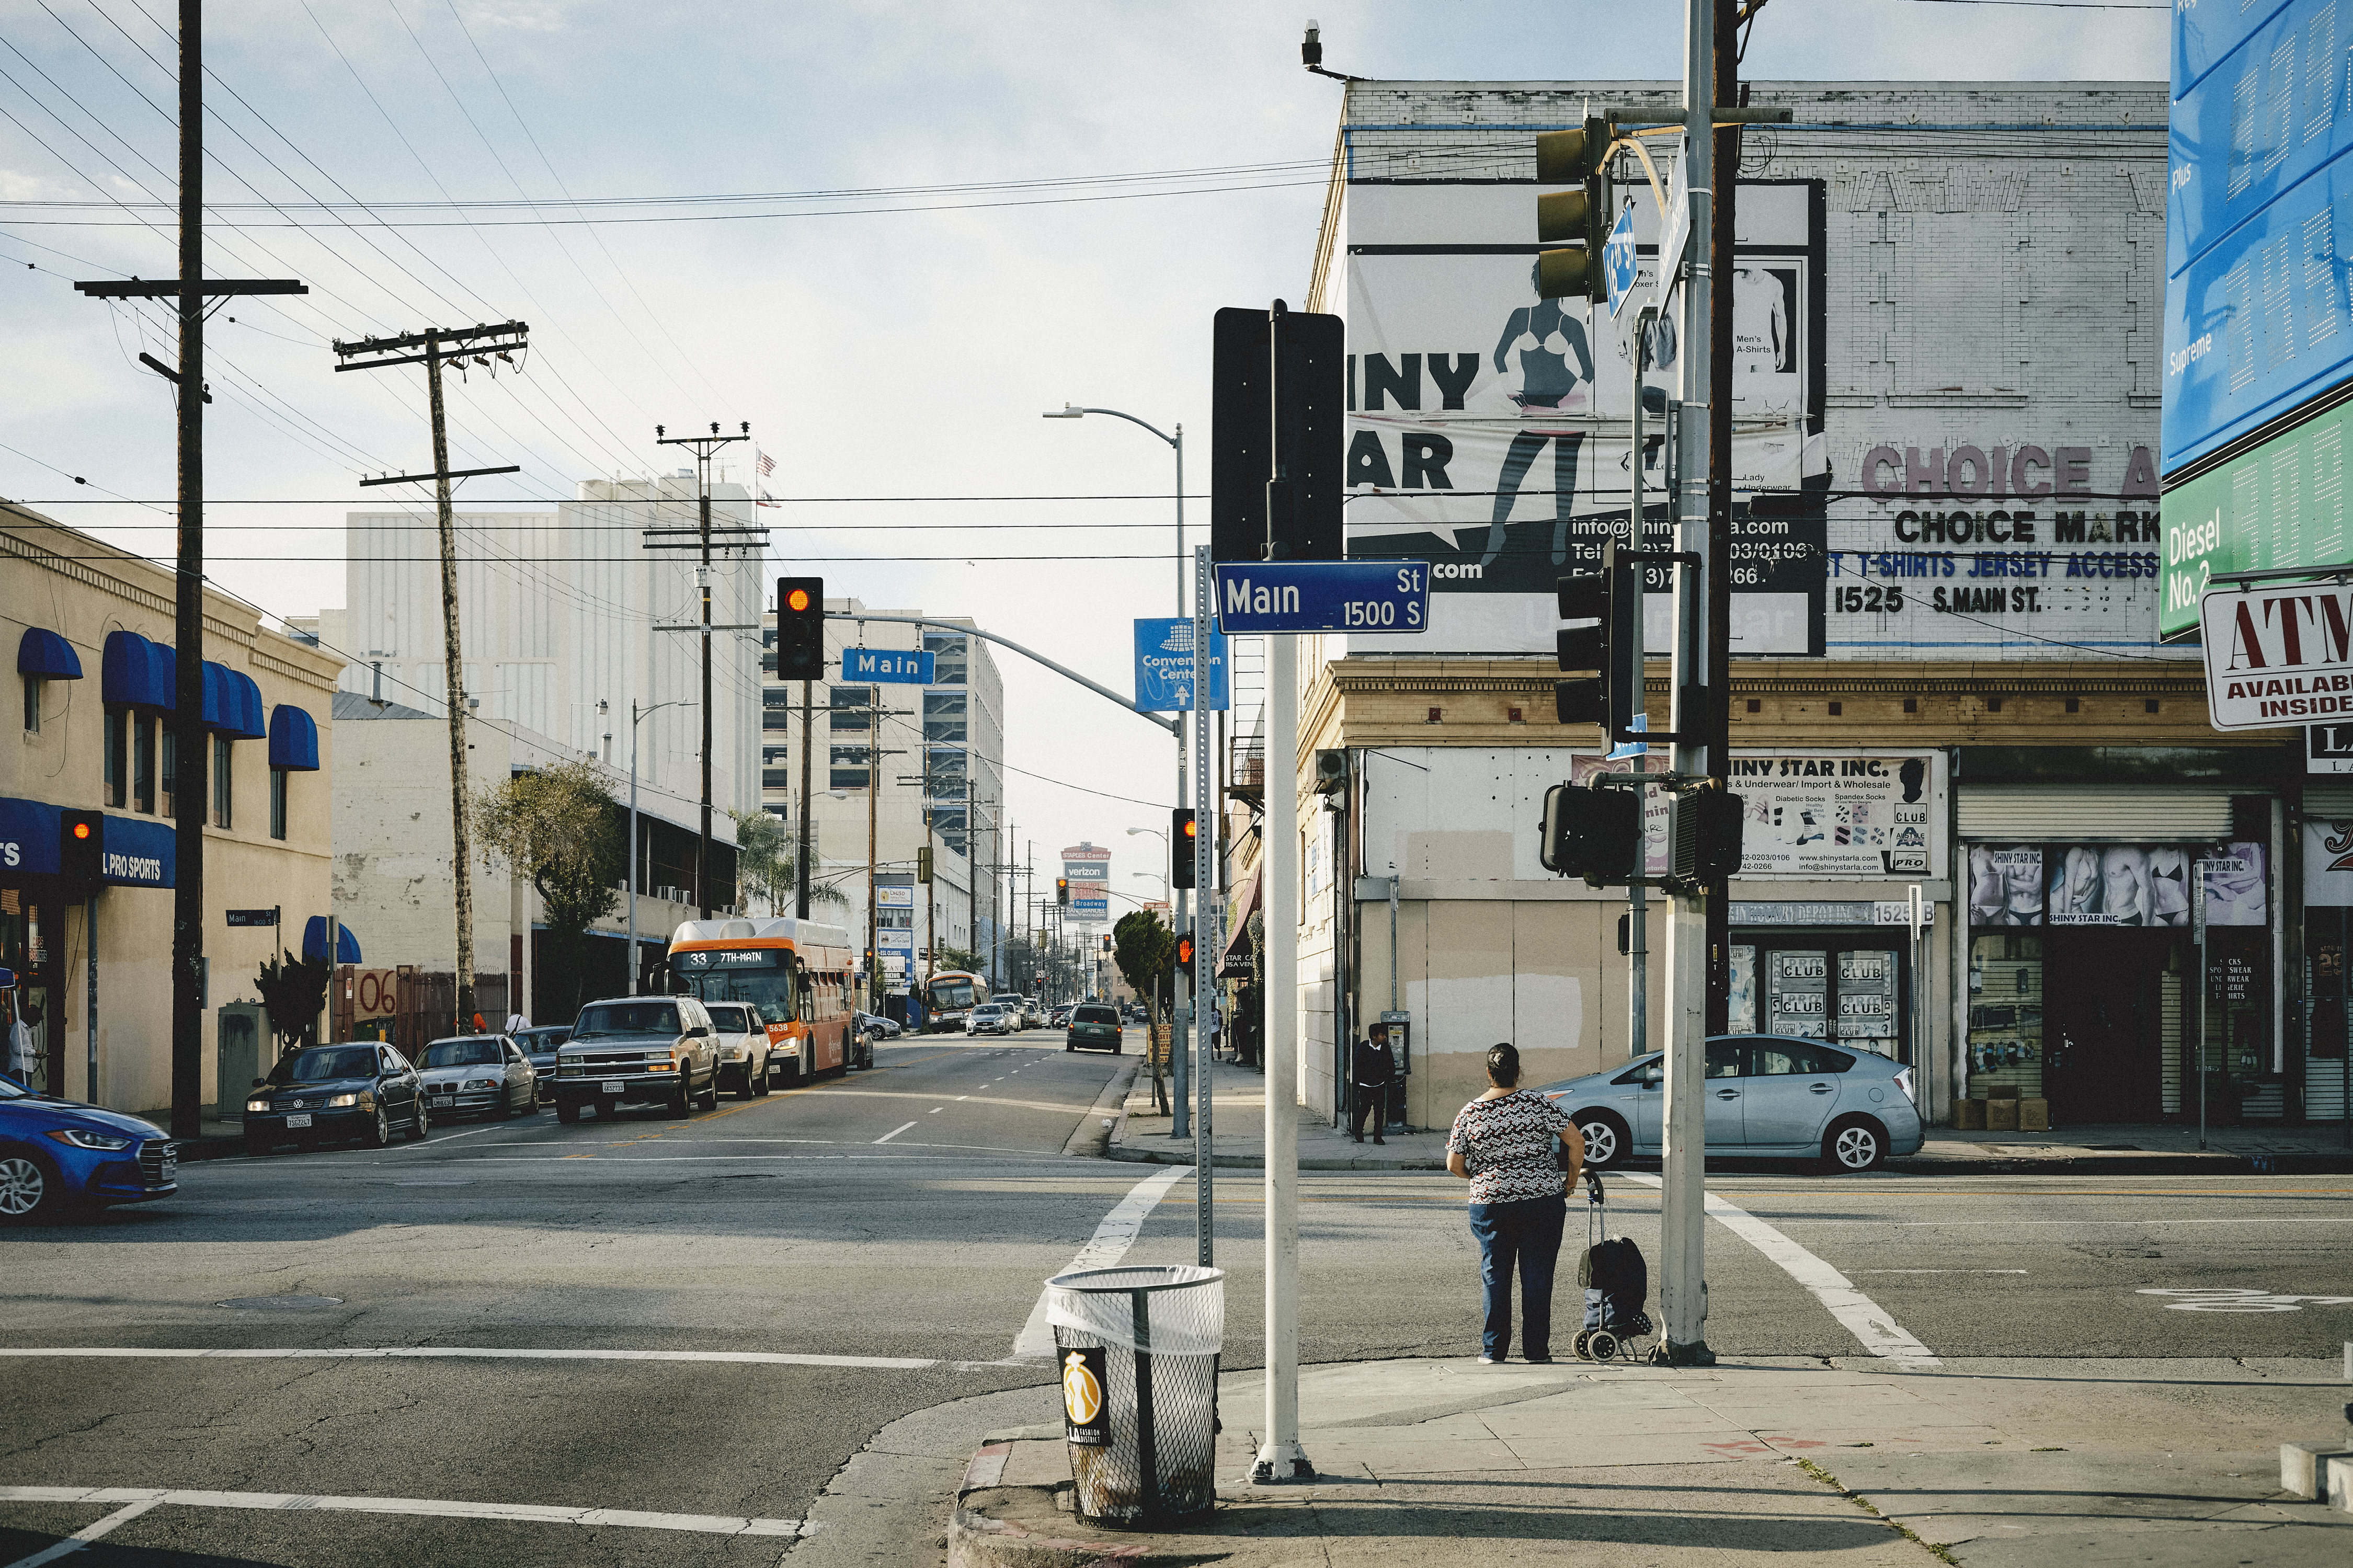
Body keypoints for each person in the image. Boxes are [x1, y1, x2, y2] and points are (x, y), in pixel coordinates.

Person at [1446, 1042, 1583, 1364]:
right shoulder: (1538, 1104)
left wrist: (1479, 1179)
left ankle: (1494, 1351)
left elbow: (1453, 1164)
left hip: (1492, 1203)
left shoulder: (1471, 1111)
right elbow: (1576, 1141)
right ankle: (1536, 1351)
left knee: (1495, 1271)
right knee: (1538, 1275)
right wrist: (1570, 1181)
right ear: (1518, 1071)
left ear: (1489, 1073)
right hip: (1542, 1201)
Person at [1350, 1024, 1396, 1144]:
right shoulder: (1363, 1048)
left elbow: (1391, 1065)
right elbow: (1356, 1066)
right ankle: (1359, 1131)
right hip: (1365, 1086)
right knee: (1365, 1109)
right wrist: (1357, 1083)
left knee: (1380, 1111)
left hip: (1380, 1085)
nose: (1385, 1037)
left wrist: (1388, 1078)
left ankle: (1378, 1136)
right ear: (1374, 1036)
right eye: (1382, 1035)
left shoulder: (1385, 1048)